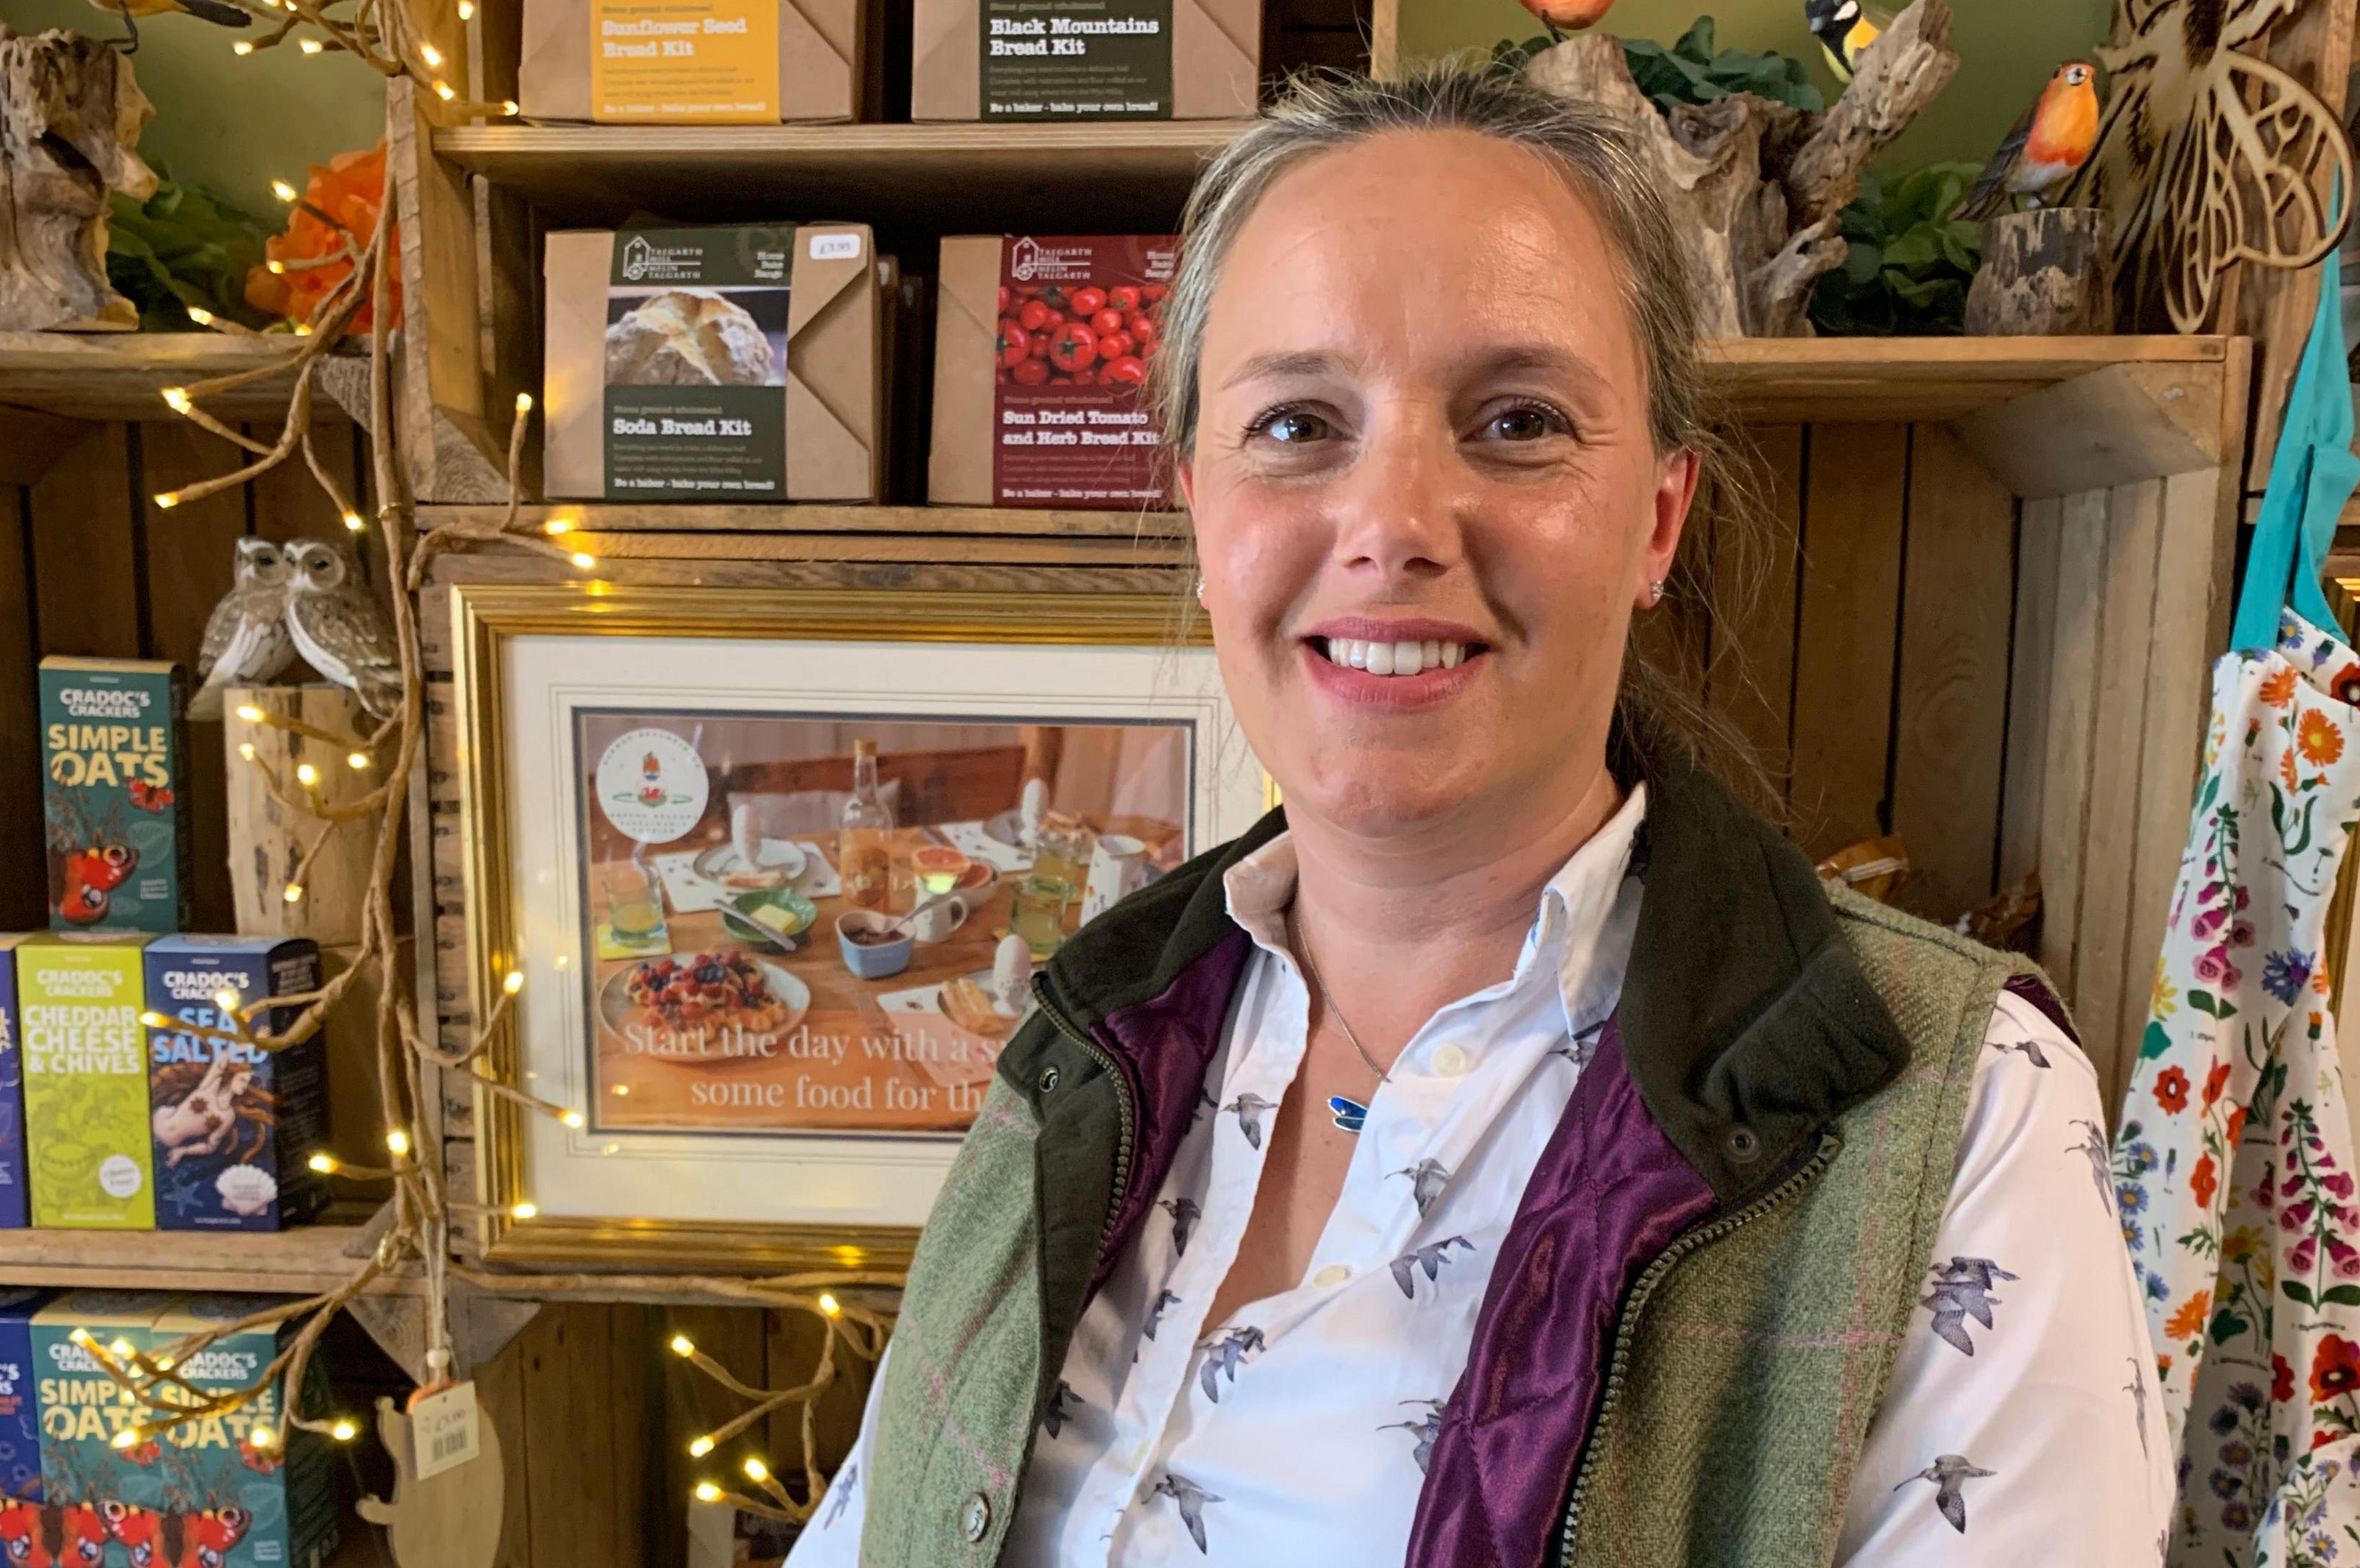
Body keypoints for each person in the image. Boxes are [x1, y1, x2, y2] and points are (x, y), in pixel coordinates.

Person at [784, 62, 2169, 1567]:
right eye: (1299, 423)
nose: (1390, 529)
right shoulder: (1085, 1037)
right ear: (1195, 508)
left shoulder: (1954, 1113)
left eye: (1516, 422)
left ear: (1656, 518)